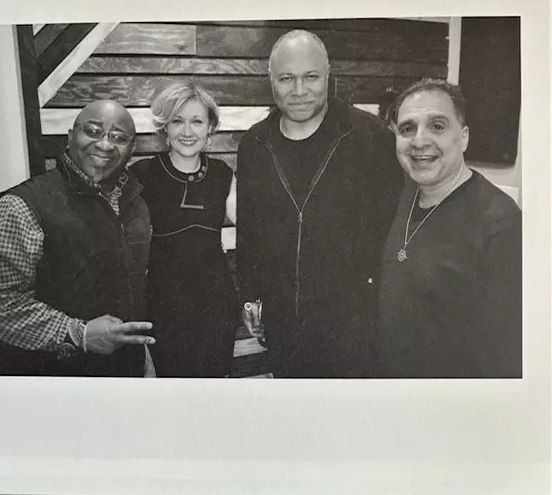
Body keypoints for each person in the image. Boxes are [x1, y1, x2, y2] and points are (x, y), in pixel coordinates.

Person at [236, 29, 403, 378]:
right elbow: (249, 231)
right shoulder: (254, 144)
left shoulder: (372, 138)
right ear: (270, 79)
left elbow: (393, 233)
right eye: (286, 78)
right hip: (283, 329)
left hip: (356, 333)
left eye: (310, 77)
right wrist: (250, 295)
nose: (299, 91)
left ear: (328, 74)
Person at [0, 99, 156, 377]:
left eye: (119, 137)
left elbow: (131, 291)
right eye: (93, 131)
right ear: (70, 136)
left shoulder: (135, 201)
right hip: (53, 380)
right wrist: (78, 334)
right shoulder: (20, 205)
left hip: (125, 373)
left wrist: (142, 358)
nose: (105, 144)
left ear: (132, 148)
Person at [377, 78, 522, 378]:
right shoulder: (401, 195)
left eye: (437, 126)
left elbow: (505, 358)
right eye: (407, 128)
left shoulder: (500, 222)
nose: (419, 141)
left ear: (464, 137)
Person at [130, 82, 239, 378]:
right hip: (163, 306)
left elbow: (253, 228)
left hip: (216, 304)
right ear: (164, 127)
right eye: (177, 121)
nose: (187, 131)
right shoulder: (142, 174)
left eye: (197, 121)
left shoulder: (222, 174)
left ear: (210, 128)